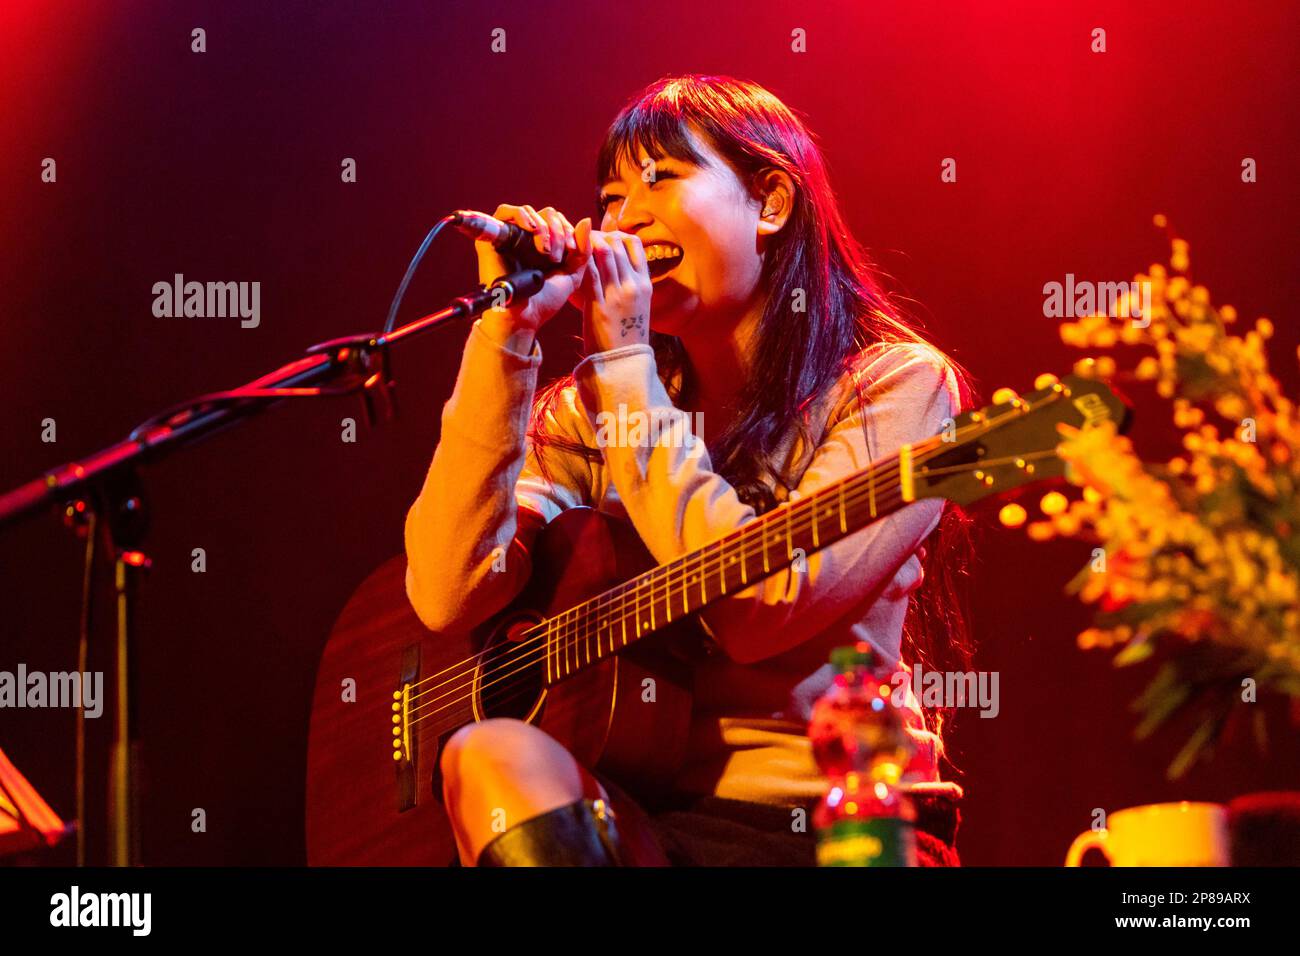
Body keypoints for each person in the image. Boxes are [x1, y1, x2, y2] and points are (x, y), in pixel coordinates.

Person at [404, 74, 975, 866]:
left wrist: (626, 360)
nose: (623, 216)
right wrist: (506, 334)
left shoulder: (897, 388)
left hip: (829, 829)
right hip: (633, 821)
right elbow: (446, 590)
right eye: (609, 194)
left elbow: (757, 607)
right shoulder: (592, 408)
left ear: (771, 202)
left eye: (660, 178)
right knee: (485, 753)